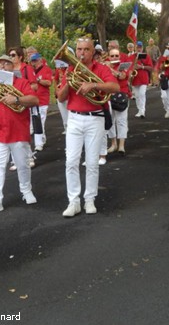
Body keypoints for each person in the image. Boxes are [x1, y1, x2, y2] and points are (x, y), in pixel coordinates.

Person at [56, 37, 119, 217]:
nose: (81, 53)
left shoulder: (101, 69)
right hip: (74, 118)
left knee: (92, 162)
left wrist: (94, 84)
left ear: (93, 52)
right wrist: (69, 81)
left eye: (86, 49)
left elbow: (114, 87)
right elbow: (60, 98)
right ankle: (73, 201)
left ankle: (89, 199)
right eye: (79, 49)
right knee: (71, 161)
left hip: (95, 118)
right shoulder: (69, 69)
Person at [0, 54, 39, 213]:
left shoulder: (22, 82)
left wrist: (17, 99)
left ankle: (26, 190)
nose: (3, 67)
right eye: (0, 64)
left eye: (7, 64)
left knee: (22, 164)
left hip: (18, 131)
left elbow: (34, 100)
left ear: (13, 66)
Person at [106, 48, 130, 155]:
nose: (114, 58)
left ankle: (121, 145)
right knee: (110, 121)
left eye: (116, 56)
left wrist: (110, 69)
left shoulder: (123, 66)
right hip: (108, 96)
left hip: (121, 95)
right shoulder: (105, 66)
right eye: (112, 56)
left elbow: (122, 76)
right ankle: (113, 143)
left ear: (119, 57)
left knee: (121, 121)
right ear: (109, 57)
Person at [30, 53, 52, 152]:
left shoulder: (46, 69)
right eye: (32, 61)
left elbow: (49, 83)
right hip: (33, 100)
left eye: (35, 61)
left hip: (43, 100)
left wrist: (38, 80)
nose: (33, 63)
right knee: (35, 122)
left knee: (40, 122)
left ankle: (39, 144)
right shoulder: (30, 70)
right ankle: (42, 139)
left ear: (40, 60)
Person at [129, 41, 153, 118]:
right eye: (137, 47)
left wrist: (142, 67)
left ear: (142, 48)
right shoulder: (131, 57)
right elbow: (128, 67)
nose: (139, 49)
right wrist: (132, 68)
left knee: (142, 94)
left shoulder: (146, 56)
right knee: (137, 95)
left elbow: (151, 68)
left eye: (140, 47)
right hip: (135, 79)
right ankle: (139, 110)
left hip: (143, 78)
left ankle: (142, 111)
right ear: (135, 48)